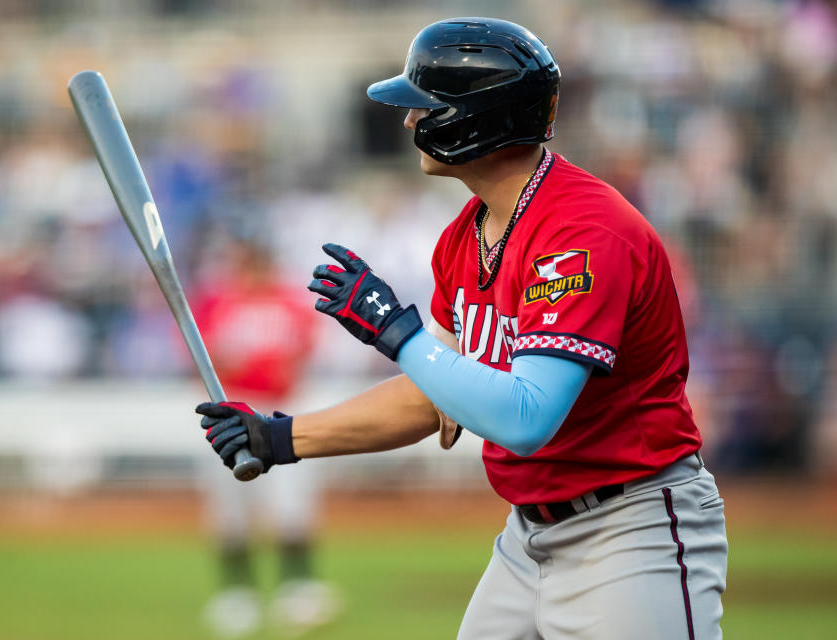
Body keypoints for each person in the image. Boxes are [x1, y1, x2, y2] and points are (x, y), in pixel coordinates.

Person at [197, 18, 728, 640]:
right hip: (529, 534)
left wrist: (397, 332)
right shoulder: (463, 239)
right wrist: (280, 437)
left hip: (629, 530)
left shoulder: (581, 233)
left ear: (476, 119)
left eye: (424, 107)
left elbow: (526, 419)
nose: (408, 121)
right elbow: (435, 393)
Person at [191, 235, 339, 637]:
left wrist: (250, 365)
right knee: (230, 510)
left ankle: (299, 589)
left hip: (280, 409)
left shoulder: (288, 304)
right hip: (228, 415)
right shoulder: (217, 303)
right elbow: (202, 361)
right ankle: (238, 595)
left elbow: (291, 365)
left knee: (292, 507)